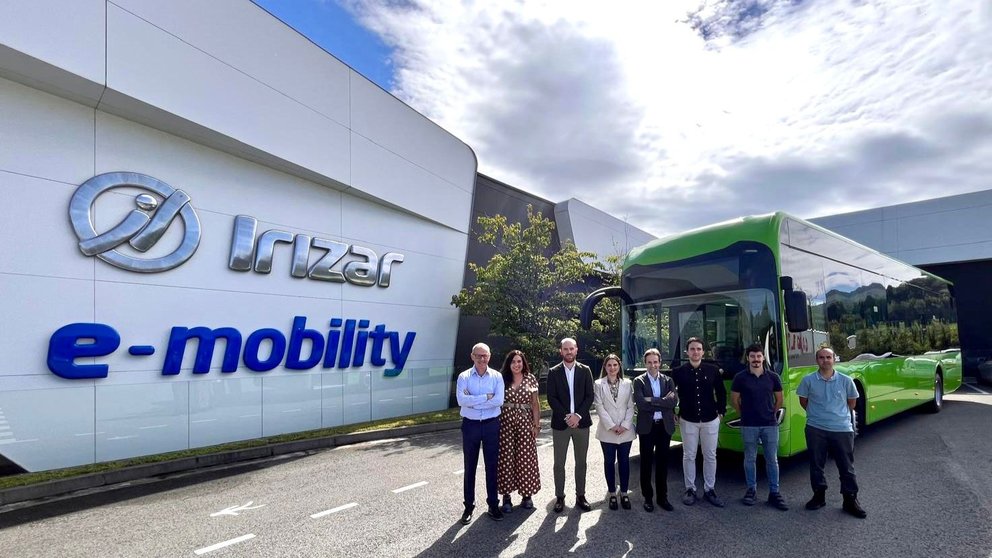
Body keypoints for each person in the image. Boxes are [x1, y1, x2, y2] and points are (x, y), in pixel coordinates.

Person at [797, 346, 867, 518]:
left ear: (834, 359)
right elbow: (803, 401)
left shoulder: (846, 381)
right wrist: (819, 416)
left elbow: (852, 403)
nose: (825, 360)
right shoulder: (808, 381)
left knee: (846, 467)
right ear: (817, 360)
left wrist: (835, 417)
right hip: (815, 429)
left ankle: (850, 500)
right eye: (821, 357)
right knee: (816, 465)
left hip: (841, 429)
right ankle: (819, 496)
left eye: (828, 357)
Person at [671, 337, 727, 507]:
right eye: (692, 349)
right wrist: (674, 412)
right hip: (688, 419)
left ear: (703, 352)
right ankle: (690, 489)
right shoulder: (678, 372)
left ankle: (710, 489)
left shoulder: (713, 370)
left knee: (710, 455)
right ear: (687, 352)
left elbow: (721, 393)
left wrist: (721, 413)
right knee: (689, 455)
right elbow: (672, 395)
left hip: (711, 419)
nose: (695, 352)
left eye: (699, 349)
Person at [730, 344, 788, 510]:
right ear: (747, 358)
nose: (756, 359)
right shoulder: (740, 378)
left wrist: (771, 414)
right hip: (748, 425)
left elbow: (779, 400)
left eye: (758, 356)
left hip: (769, 425)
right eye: (752, 356)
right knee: (750, 459)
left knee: (772, 460)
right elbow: (735, 400)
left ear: (763, 358)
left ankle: (774, 493)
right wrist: (744, 414)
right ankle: (751, 490)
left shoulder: (773, 377)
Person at [455, 342, 506, 524]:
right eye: (479, 355)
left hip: (492, 425)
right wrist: (486, 397)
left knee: (492, 467)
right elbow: (461, 400)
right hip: (470, 426)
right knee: (470, 467)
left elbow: (499, 400)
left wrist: (473, 400)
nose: (482, 359)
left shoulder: (497, 376)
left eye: (485, 355)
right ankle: (469, 506)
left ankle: (493, 504)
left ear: (489, 357)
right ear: (472, 356)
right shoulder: (464, 377)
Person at [547, 337, 595, 513]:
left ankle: (580, 495)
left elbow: (589, 396)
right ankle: (560, 497)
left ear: (577, 350)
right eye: (565, 349)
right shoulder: (553, 372)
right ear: (561, 351)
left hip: (582, 424)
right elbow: (551, 397)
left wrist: (578, 416)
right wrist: (567, 416)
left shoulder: (586, 370)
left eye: (571, 349)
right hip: (561, 424)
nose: (568, 352)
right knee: (559, 463)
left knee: (581, 462)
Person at [633, 348, 678, 512]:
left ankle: (662, 497)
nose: (653, 365)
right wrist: (662, 401)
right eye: (649, 362)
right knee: (646, 463)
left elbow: (673, 402)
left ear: (660, 363)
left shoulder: (668, 380)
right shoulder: (639, 381)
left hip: (664, 427)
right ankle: (648, 498)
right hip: (647, 428)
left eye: (655, 362)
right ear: (645, 363)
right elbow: (641, 404)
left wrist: (652, 399)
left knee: (662, 463)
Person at [496, 350, 542, 513]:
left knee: (525, 458)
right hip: (506, 424)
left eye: (519, 361)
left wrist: (536, 425)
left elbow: (535, 404)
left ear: (523, 363)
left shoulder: (530, 379)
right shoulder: (502, 379)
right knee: (506, 460)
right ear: (509, 364)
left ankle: (527, 495)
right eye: (513, 362)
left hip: (525, 424)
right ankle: (506, 497)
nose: (516, 364)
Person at [593, 354, 636, 511]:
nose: (612, 368)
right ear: (605, 367)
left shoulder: (628, 383)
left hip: (625, 431)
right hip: (607, 431)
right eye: (609, 365)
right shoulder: (598, 384)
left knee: (624, 462)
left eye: (615, 365)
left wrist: (624, 425)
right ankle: (612, 493)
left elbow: (631, 406)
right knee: (609, 462)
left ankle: (624, 493)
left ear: (619, 367)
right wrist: (612, 426)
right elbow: (599, 406)